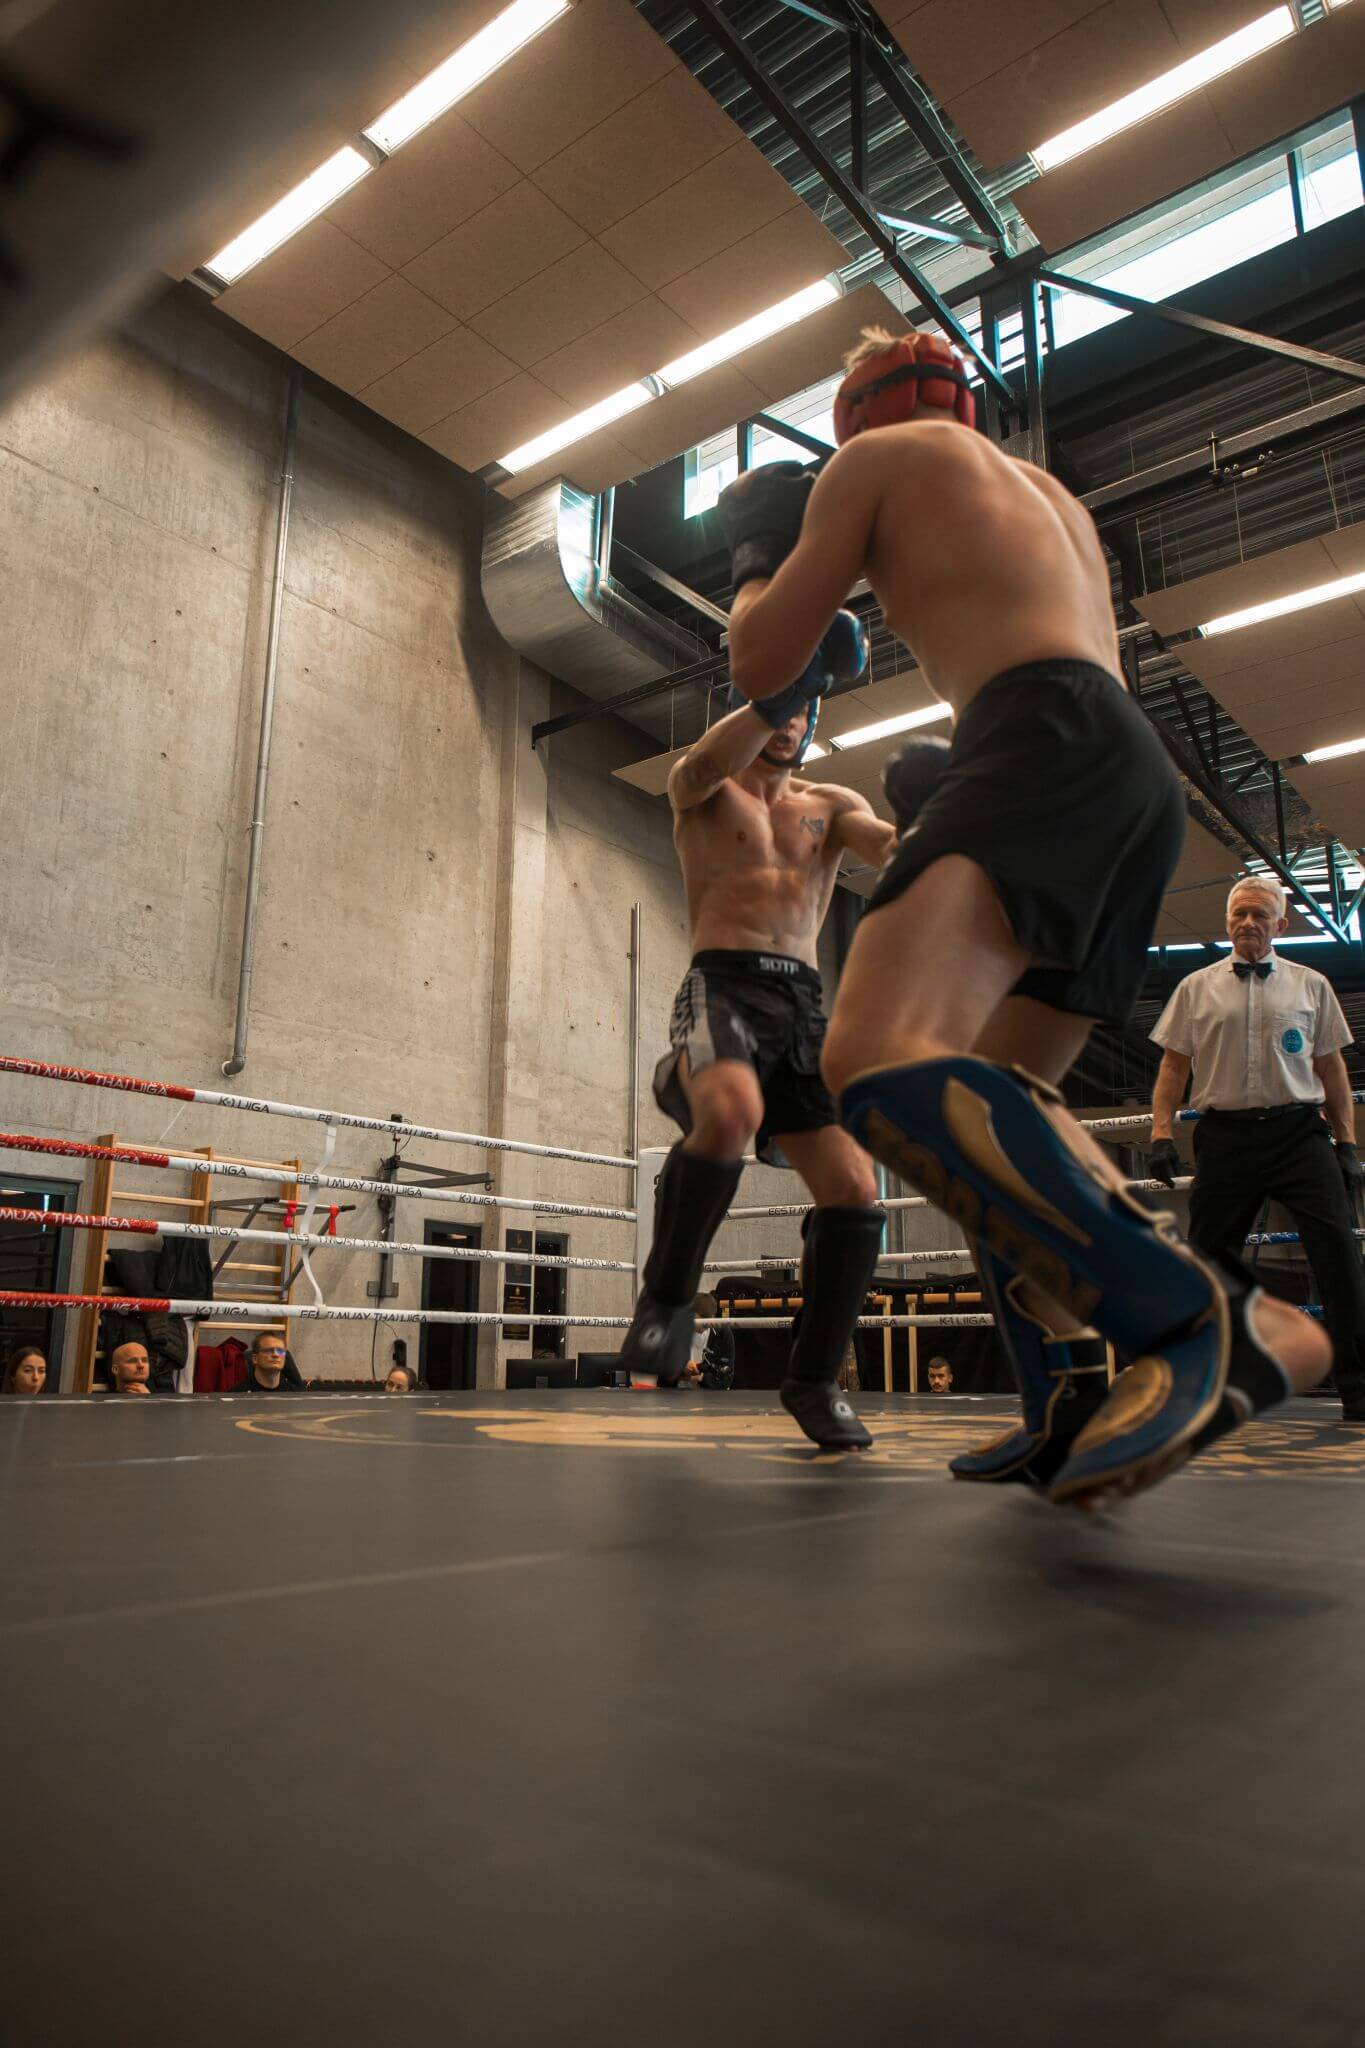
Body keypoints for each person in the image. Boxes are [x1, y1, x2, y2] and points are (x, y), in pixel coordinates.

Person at [719, 323, 1330, 1506]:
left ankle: (1206, 1318)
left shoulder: (871, 462)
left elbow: (761, 663)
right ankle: (1063, 1400)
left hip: (1035, 733)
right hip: (1131, 777)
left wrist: (756, 559)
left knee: (873, 1057)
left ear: (854, 414)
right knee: (996, 1108)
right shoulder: (1053, 499)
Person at [616, 663, 897, 1449]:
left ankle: (813, 1381)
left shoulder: (830, 804)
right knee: (731, 1114)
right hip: (723, 987)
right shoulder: (703, 789)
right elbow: (702, 762)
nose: (788, 722)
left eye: (803, 708)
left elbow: (890, 849)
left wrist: (950, 817)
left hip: (803, 1006)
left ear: (814, 721)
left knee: (855, 1191)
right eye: (778, 706)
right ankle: (667, 1301)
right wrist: (780, 688)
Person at [1149, 875, 1365, 1423]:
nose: (1248, 922)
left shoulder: (1312, 984)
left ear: (1280, 925)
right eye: (1239, 913)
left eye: (1260, 915)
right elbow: (1173, 1066)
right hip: (1226, 1137)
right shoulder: (1195, 987)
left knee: (1340, 1255)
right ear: (1227, 921)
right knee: (1208, 1261)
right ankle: (1199, 1384)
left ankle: (1360, 1387)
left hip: (1299, 1134)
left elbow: (1332, 1069)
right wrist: (1159, 1133)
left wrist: (1347, 1143)